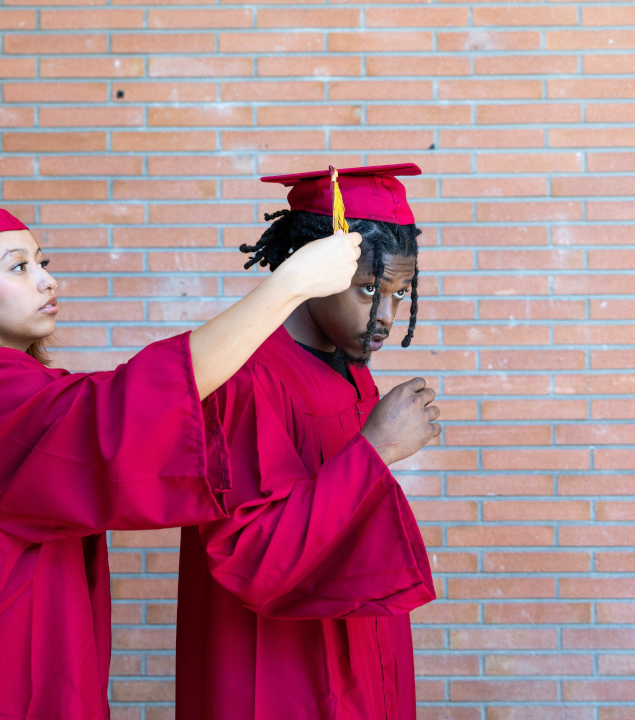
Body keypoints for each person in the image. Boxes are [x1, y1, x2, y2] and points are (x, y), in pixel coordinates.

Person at [0, 151, 365, 719]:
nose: (49, 279)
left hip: (35, 678)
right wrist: (289, 286)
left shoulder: (16, 390)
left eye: (41, 261)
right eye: (18, 267)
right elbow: (122, 411)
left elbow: (122, 413)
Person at [176, 165, 440, 720]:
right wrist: (375, 449)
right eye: (369, 289)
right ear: (315, 268)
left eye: (399, 293)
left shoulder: (349, 368)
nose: (386, 317)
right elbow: (253, 554)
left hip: (362, 650)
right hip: (281, 670)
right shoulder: (244, 378)